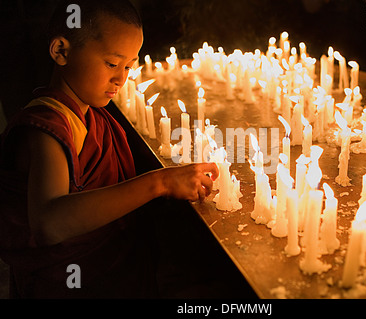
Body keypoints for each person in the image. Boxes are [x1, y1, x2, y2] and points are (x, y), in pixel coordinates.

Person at [0, 0, 220, 298]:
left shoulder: (92, 114)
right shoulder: (48, 128)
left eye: (129, 65)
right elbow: (49, 224)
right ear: (61, 51)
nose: (121, 78)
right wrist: (161, 182)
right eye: (112, 63)